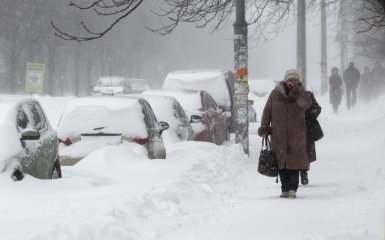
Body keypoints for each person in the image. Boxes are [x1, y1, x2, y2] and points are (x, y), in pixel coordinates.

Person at [258, 69, 311, 199]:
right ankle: (285, 189)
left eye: (294, 80)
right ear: (285, 80)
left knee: (294, 163)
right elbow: (267, 111)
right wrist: (265, 127)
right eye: (289, 80)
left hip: (296, 135)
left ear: (298, 82)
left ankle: (293, 188)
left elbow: (306, 104)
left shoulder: (303, 94)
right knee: (281, 164)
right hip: (278, 134)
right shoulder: (275, 94)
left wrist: (296, 92)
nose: (291, 82)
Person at [300, 92, 321, 185]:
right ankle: (294, 175)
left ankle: (304, 173)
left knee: (305, 151)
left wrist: (310, 116)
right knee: (292, 151)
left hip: (306, 128)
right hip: (290, 128)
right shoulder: (285, 96)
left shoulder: (307, 95)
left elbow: (317, 108)